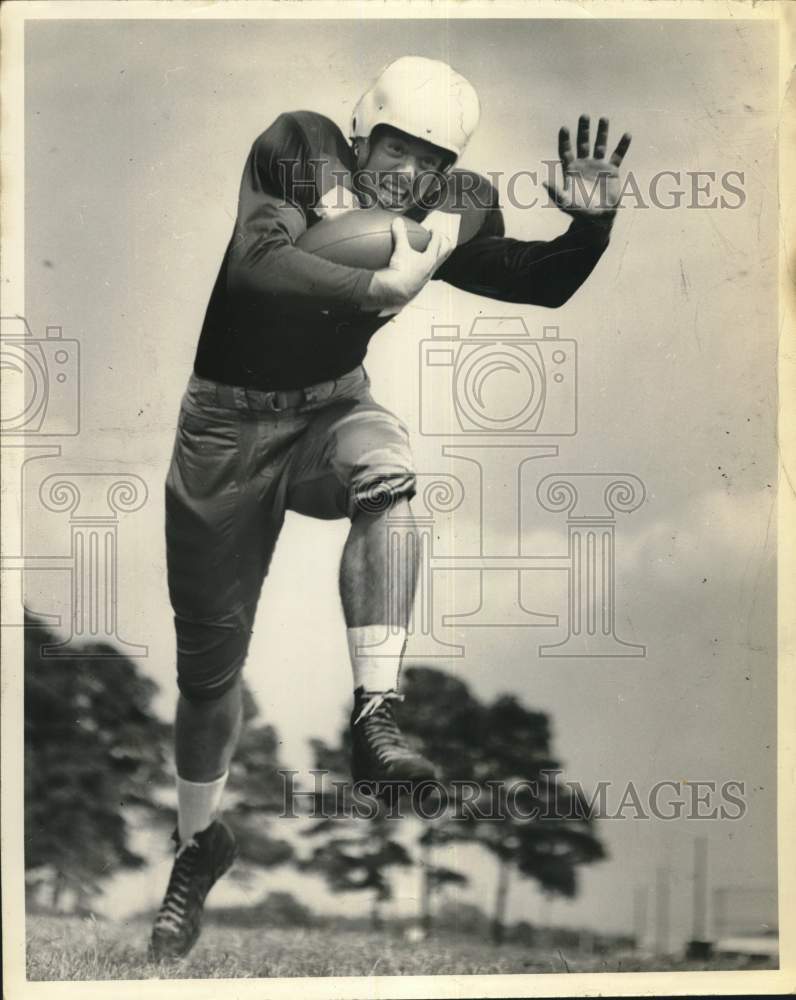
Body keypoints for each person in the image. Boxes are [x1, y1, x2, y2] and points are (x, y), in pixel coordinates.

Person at [149, 55, 631, 959]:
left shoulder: (457, 204)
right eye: (401, 148)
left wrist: (592, 226)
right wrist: (371, 286)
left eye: (432, 161)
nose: (410, 173)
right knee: (209, 677)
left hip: (332, 406)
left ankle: (376, 717)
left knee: (390, 469)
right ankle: (198, 844)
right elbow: (256, 265)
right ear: (365, 129)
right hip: (224, 428)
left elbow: (542, 279)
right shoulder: (299, 146)